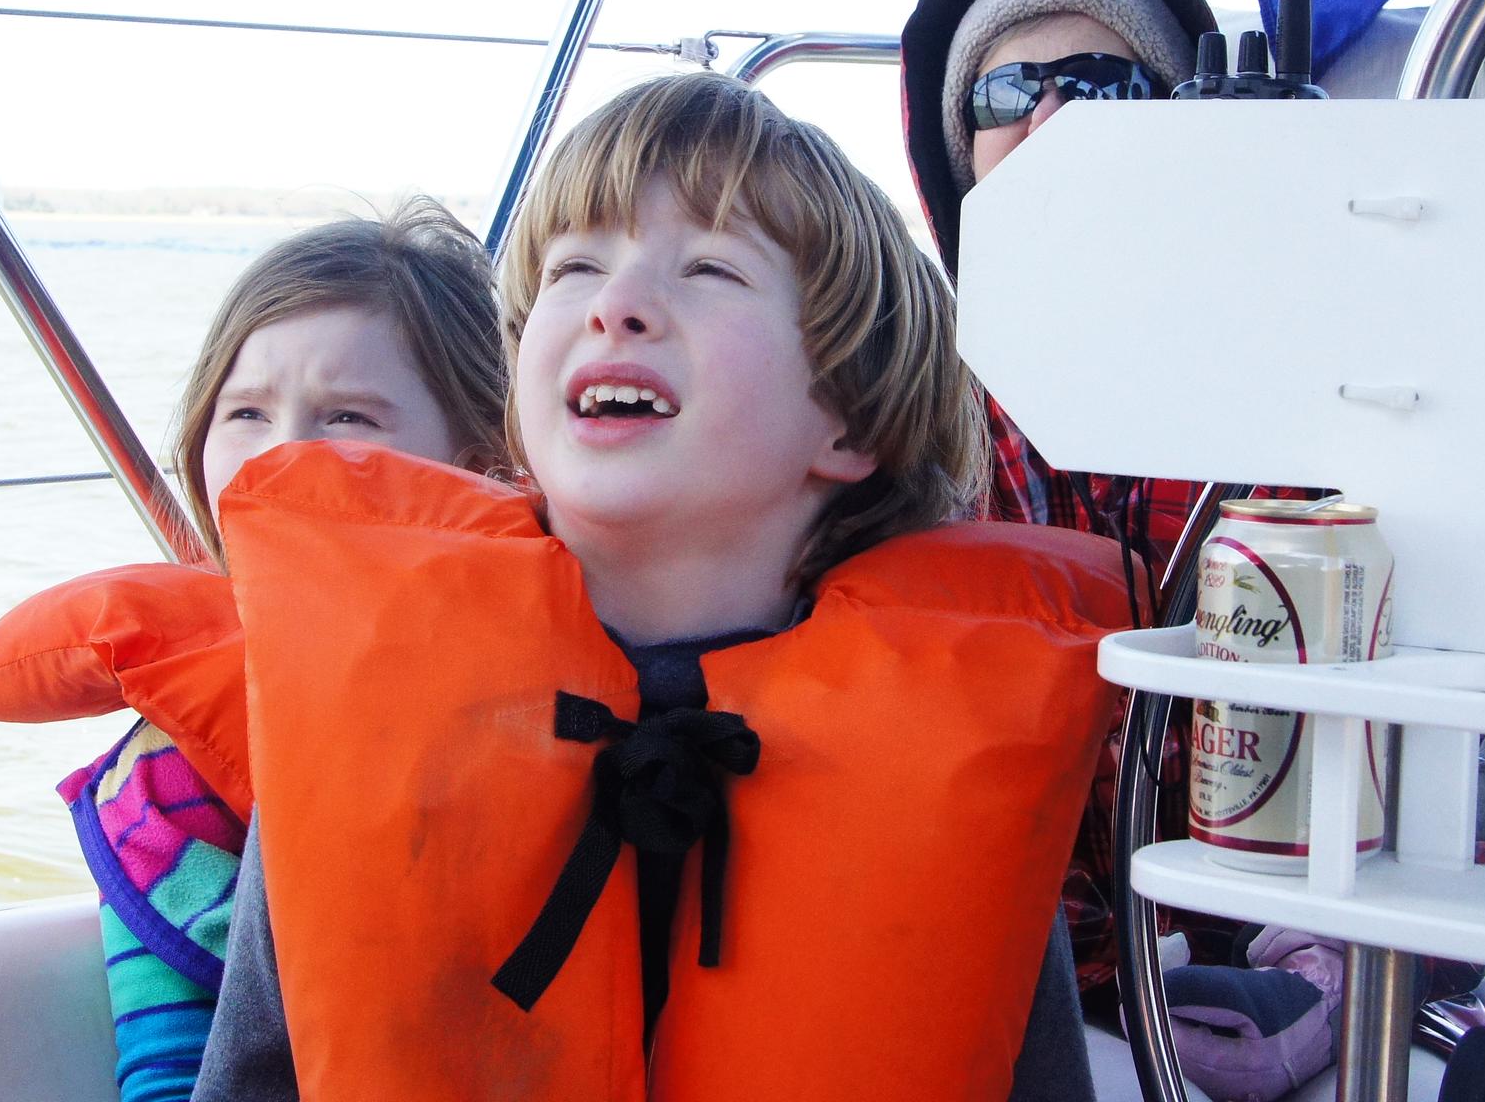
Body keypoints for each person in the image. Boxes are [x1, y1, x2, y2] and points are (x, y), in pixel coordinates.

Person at [191, 72, 1132, 1100]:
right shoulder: (367, 708)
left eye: (712, 269)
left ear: (850, 420)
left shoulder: (951, 742)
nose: (617, 305)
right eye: (575, 264)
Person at [900, 0, 1345, 1100]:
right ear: (963, 150)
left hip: (1287, 963)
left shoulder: (1317, 388)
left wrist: (1315, 958)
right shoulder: (894, 410)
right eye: (1009, 90)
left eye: (1100, 85)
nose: (1051, 119)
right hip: (1010, 974)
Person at [0, 201, 510, 1102]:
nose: (281, 458)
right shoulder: (169, 787)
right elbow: (169, 1077)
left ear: (479, 461)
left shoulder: (588, 697)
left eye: (350, 417)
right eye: (246, 413)